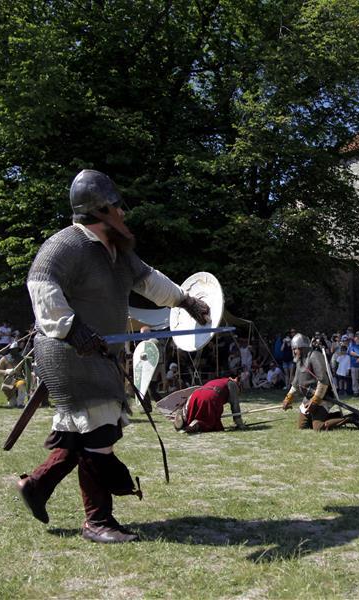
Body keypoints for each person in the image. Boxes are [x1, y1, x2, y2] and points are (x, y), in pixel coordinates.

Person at [16, 169, 211, 544]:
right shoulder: (65, 245)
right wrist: (72, 328)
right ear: (101, 210)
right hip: (70, 352)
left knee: (81, 434)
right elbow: (40, 284)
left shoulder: (118, 253)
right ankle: (97, 521)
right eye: (118, 207)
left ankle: (37, 486)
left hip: (100, 354)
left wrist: (185, 300)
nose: (124, 214)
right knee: (99, 433)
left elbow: (149, 280)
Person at [282, 333, 359, 430]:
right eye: (293, 349)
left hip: (322, 397)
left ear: (303, 348)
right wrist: (288, 398)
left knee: (318, 427)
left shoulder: (315, 356)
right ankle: (335, 416)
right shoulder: (300, 361)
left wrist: (315, 401)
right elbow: (296, 384)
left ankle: (351, 418)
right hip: (308, 398)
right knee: (302, 426)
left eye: (295, 349)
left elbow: (323, 381)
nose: (294, 352)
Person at [173, 377, 245, 433]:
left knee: (191, 413)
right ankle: (196, 426)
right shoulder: (233, 384)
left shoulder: (220, 380)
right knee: (209, 421)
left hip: (196, 393)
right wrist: (239, 423)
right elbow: (235, 405)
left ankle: (182, 422)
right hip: (211, 396)